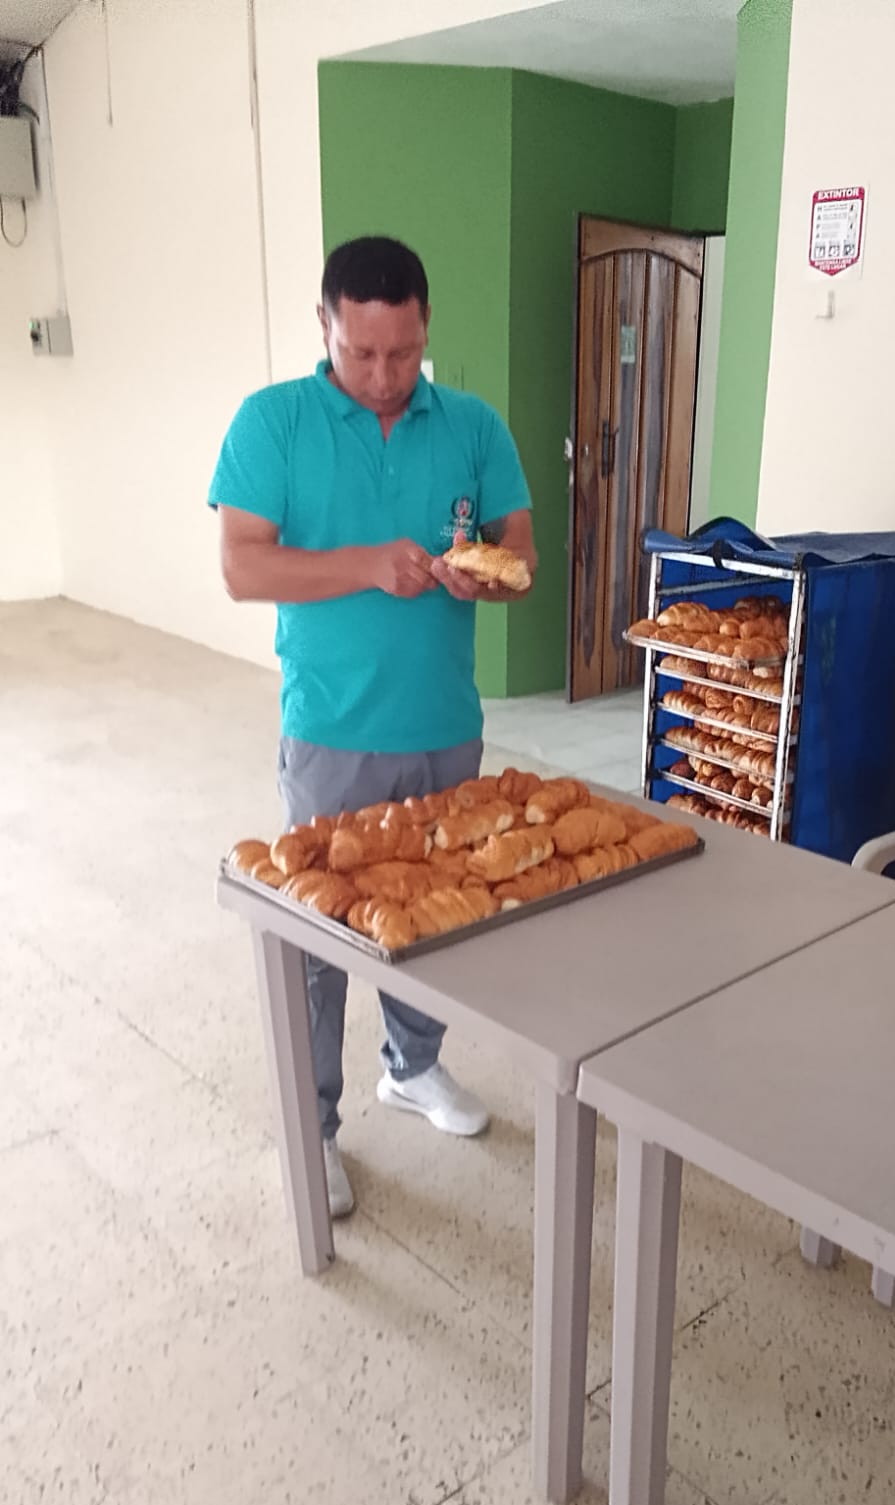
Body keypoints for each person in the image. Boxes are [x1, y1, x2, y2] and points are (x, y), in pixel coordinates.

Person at [210, 235, 537, 1219]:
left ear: (426, 326)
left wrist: (486, 576)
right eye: (362, 353)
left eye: (403, 352)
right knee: (320, 936)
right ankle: (313, 1127)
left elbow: (521, 555)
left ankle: (414, 1065)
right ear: (325, 326)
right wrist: (366, 564)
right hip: (332, 733)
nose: (385, 375)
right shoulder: (273, 422)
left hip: (446, 730)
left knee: (437, 919)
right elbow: (241, 567)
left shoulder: (473, 425)